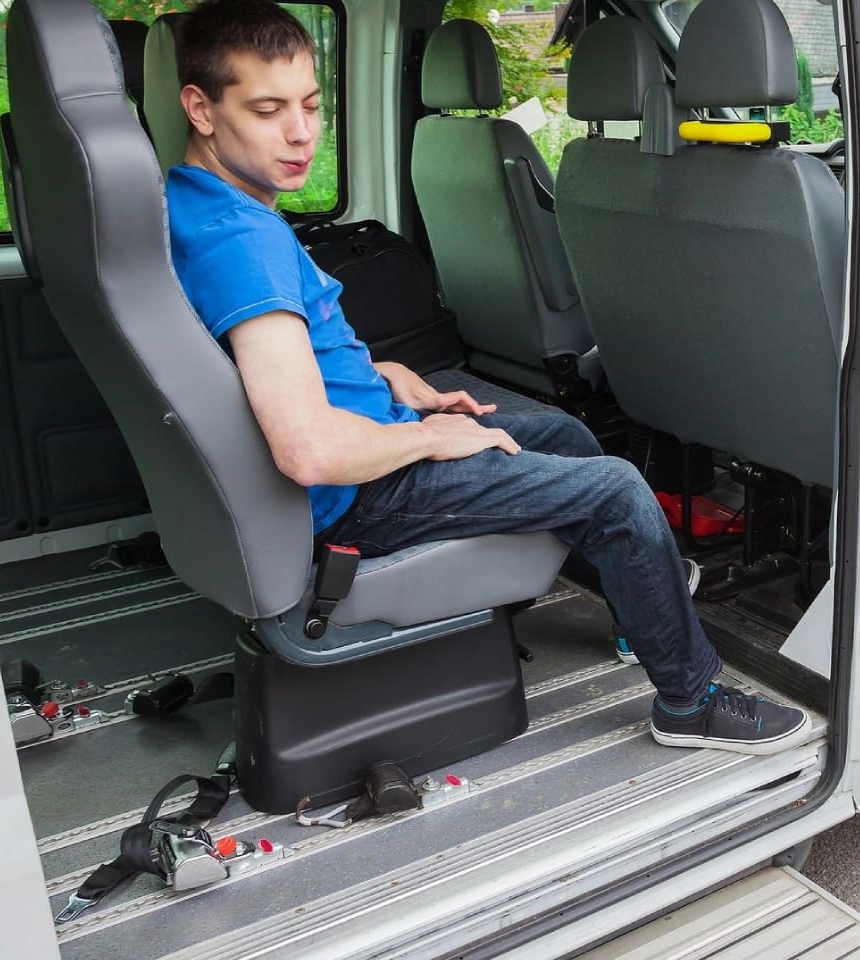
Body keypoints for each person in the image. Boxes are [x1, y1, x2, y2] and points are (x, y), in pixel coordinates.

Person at [162, 0, 808, 756]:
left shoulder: (196, 203)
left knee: (564, 432)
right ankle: (690, 702)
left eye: (309, 105)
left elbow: (268, 366)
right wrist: (429, 439)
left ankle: (646, 609)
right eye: (267, 110)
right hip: (359, 496)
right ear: (200, 108)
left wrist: (388, 374)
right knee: (617, 491)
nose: (302, 133)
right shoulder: (243, 244)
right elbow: (310, 451)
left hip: (370, 444)